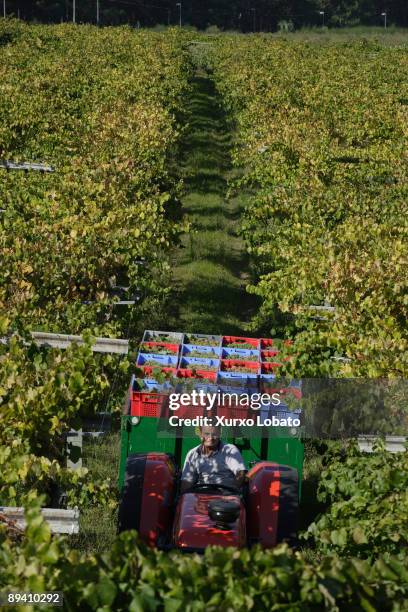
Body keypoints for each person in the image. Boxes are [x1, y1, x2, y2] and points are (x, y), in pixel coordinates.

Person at [180, 425, 247, 494]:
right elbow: (186, 482)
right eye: (207, 434)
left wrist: (231, 492)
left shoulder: (230, 450)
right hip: (201, 495)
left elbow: (241, 473)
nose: (211, 438)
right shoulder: (192, 454)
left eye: (214, 434)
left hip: (225, 495)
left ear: (219, 434)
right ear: (200, 435)